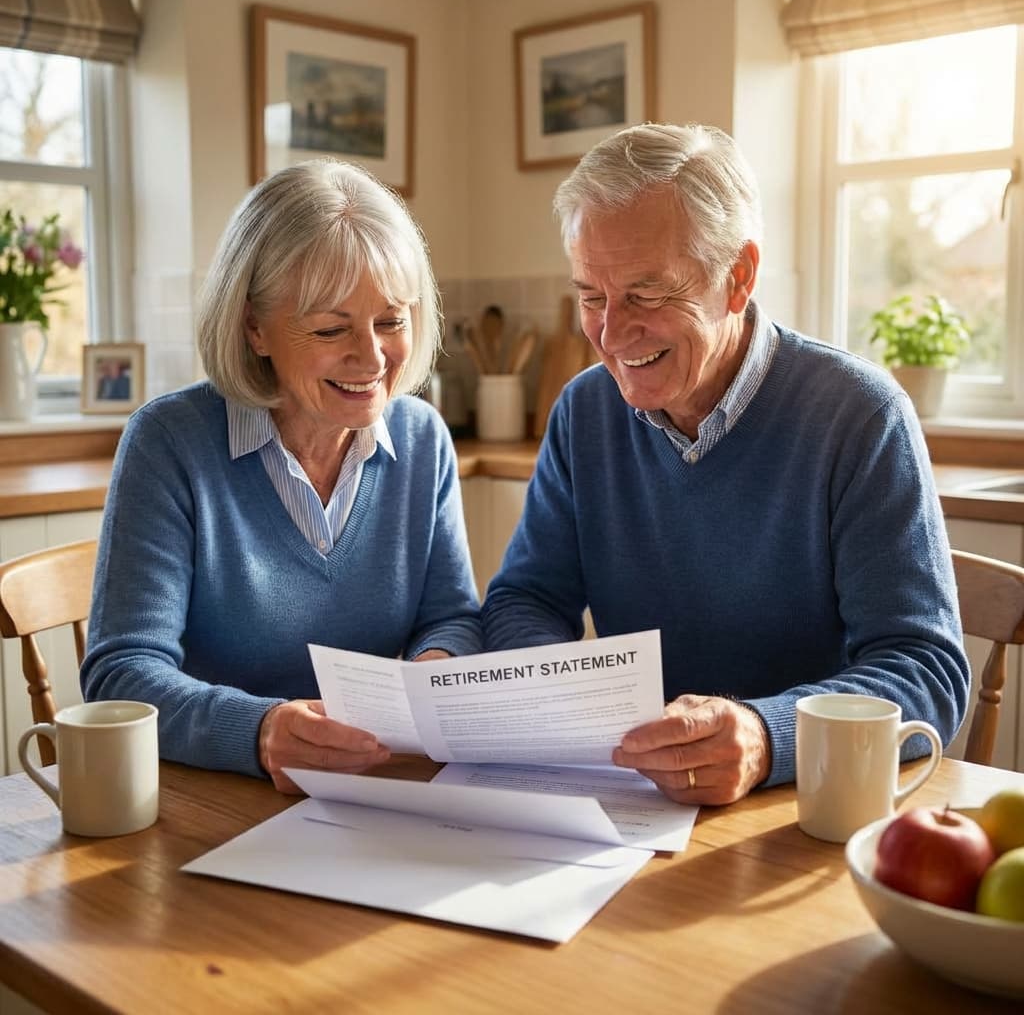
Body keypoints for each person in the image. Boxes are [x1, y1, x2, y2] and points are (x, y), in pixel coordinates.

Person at [482, 122, 969, 806]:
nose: (612, 335)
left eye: (647, 295)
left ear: (737, 277)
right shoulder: (583, 412)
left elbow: (926, 672)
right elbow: (526, 599)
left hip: (801, 813)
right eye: (592, 297)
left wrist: (766, 735)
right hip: (636, 803)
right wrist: (557, 689)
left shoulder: (859, 416)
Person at [82, 159, 481, 793]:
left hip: (375, 790)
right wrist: (260, 731)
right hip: (215, 800)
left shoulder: (422, 437)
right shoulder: (170, 443)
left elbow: (452, 617)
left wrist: (434, 674)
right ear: (254, 327)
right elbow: (123, 674)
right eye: (331, 328)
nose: (372, 358)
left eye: (391, 321)